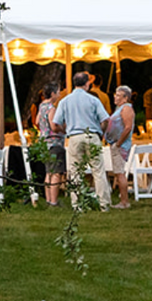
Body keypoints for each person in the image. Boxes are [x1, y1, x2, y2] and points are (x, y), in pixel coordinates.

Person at [53, 72, 113, 210]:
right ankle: (104, 204)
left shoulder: (65, 101)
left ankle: (77, 205)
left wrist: (65, 131)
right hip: (92, 135)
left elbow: (55, 123)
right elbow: (105, 119)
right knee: (98, 171)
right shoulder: (93, 100)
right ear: (87, 84)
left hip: (74, 136)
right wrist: (101, 132)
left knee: (75, 172)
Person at [34, 76, 66, 206]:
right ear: (53, 94)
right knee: (56, 173)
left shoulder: (41, 106)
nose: (59, 94)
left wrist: (43, 130)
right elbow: (53, 125)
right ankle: (54, 201)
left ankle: (48, 199)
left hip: (44, 143)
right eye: (58, 91)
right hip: (54, 143)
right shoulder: (52, 108)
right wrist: (62, 129)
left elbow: (36, 122)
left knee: (48, 172)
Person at [104, 85, 136, 207]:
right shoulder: (120, 108)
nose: (115, 97)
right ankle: (123, 200)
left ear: (125, 98)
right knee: (118, 172)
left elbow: (127, 127)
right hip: (116, 143)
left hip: (120, 145)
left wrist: (118, 143)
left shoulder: (126, 109)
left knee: (119, 172)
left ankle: (124, 201)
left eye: (118, 95)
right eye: (115, 94)